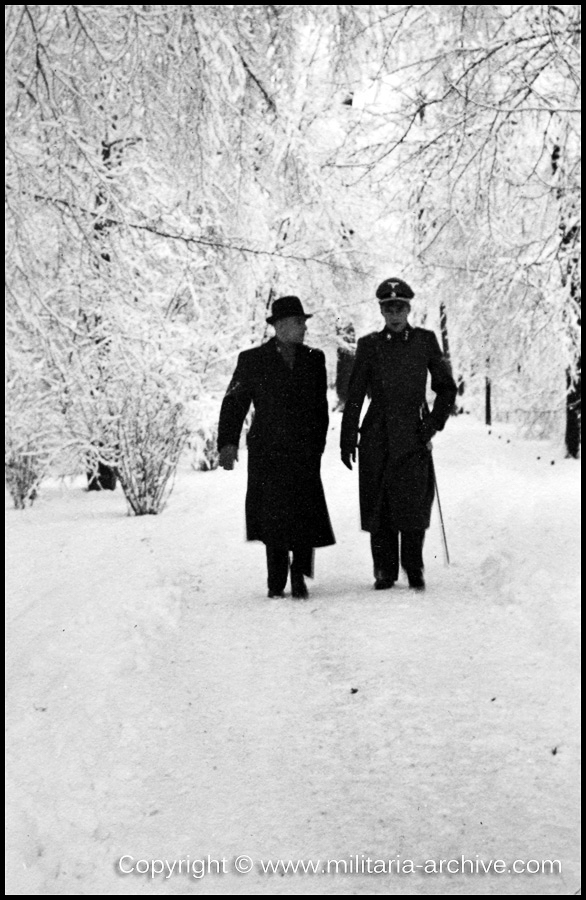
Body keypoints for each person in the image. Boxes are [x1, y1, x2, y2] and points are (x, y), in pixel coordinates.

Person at [340, 277, 457, 591]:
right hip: (377, 431)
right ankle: (384, 569)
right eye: (388, 308)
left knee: (414, 501)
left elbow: (446, 388)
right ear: (381, 310)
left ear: (408, 309)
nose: (394, 314)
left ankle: (414, 567)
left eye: (400, 307)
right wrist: (348, 437)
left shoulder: (425, 341)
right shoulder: (369, 345)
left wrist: (432, 423)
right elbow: (354, 395)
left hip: (414, 431)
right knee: (379, 502)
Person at [217, 295, 335, 599]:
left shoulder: (314, 359)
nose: (304, 328)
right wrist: (227, 442)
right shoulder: (252, 360)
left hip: (304, 450)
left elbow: (320, 408)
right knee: (273, 514)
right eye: (299, 322)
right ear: (280, 325)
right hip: (267, 450)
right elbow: (234, 402)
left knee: (305, 512)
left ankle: (299, 574)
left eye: (305, 322)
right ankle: (276, 577)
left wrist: (317, 445)